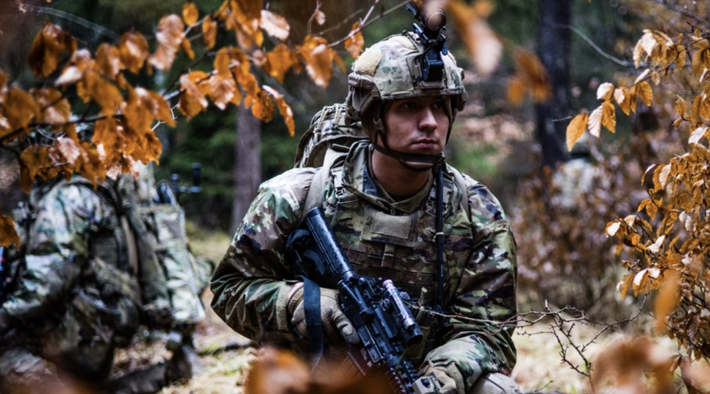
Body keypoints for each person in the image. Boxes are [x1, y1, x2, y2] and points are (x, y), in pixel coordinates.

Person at [210, 29, 520, 394]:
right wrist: (308, 304)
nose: (430, 123)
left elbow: (488, 330)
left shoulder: (478, 212)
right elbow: (229, 289)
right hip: (313, 378)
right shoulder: (296, 195)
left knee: (497, 390)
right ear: (373, 116)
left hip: (418, 379)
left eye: (440, 106)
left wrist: (441, 377)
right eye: (409, 106)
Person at [0, 157, 210, 394]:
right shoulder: (101, 193)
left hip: (77, 339)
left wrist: (6, 315)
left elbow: (45, 287)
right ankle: (168, 373)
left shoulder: (68, 199)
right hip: (101, 331)